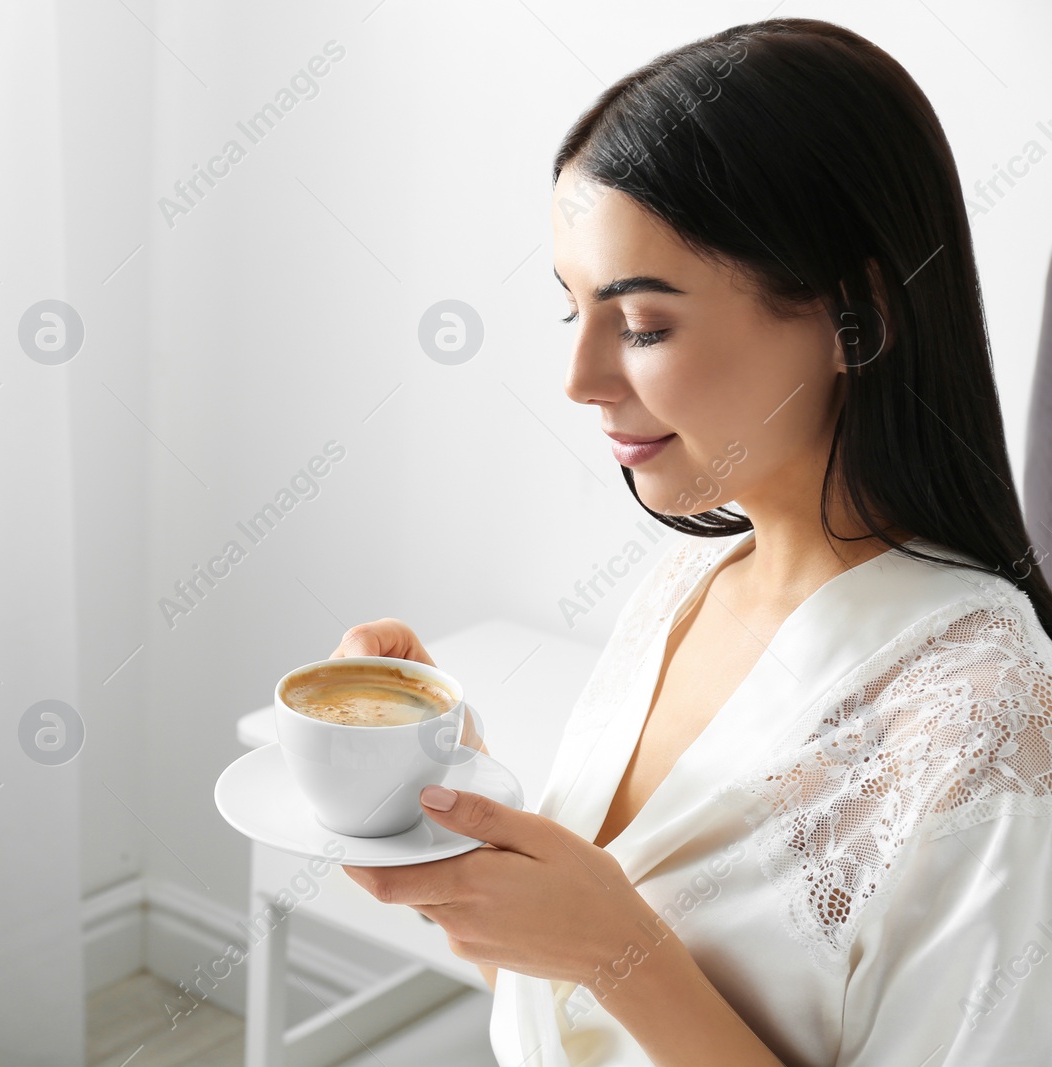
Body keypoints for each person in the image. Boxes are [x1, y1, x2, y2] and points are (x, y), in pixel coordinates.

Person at [333, 16, 1052, 1066]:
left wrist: (622, 949)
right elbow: (564, 1017)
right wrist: (439, 789)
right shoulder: (685, 585)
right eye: (570, 311)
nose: (578, 378)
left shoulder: (986, 725)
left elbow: (609, 967)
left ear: (855, 315)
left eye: (642, 325)